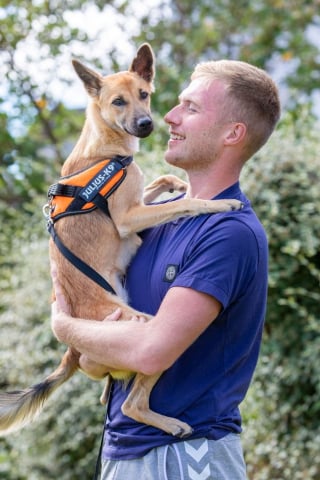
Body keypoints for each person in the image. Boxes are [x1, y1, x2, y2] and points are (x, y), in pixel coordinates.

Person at [51, 58, 280, 479]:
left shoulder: (228, 233)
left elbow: (149, 351)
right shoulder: (153, 219)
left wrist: (65, 327)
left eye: (190, 108)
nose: (167, 116)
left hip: (189, 455)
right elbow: (94, 361)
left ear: (233, 133)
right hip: (123, 452)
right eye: (174, 103)